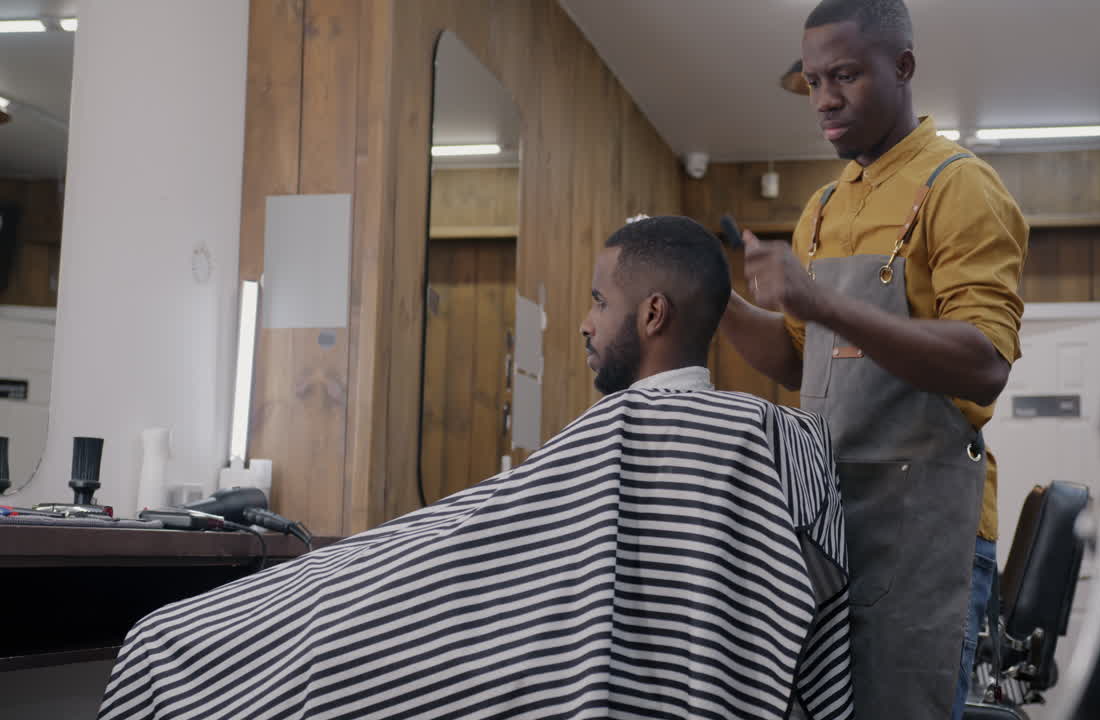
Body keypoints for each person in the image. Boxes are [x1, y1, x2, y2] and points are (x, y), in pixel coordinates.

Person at [99, 216, 855, 720]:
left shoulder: (620, 435)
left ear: (652, 315)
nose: (587, 324)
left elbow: (452, 554)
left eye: (600, 301)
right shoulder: (772, 442)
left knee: (170, 640)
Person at [718, 1, 1029, 717]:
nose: (824, 99)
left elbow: (984, 361)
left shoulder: (959, 187)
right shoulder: (821, 208)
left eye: (846, 76)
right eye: (814, 80)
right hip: (830, 525)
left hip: (926, 536)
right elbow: (804, 363)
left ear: (904, 67)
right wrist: (718, 302)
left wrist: (822, 302)